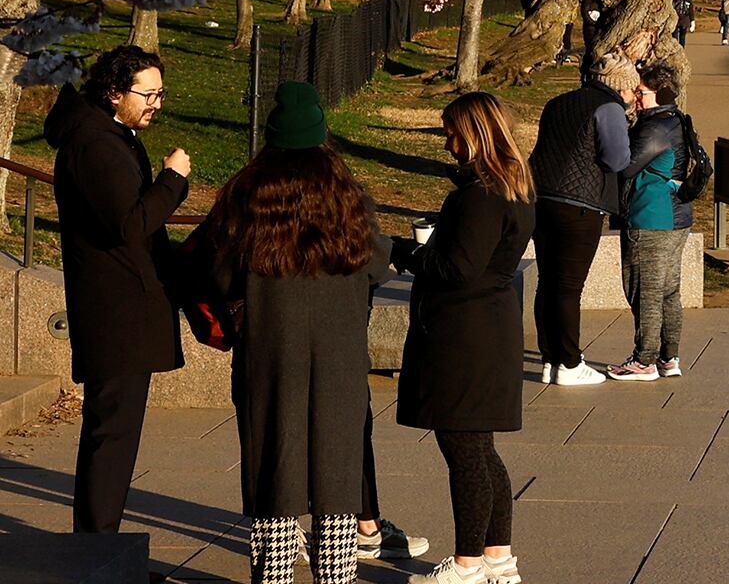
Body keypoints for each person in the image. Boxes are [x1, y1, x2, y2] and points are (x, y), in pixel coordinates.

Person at [191, 82, 379, 584]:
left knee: (273, 463)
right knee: (336, 473)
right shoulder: (349, 197)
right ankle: (335, 576)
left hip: (270, 350)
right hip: (339, 352)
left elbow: (215, 270)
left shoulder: (246, 196)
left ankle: (273, 575)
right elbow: (375, 261)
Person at [390, 92, 538, 584]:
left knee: (464, 449)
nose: (448, 143)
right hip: (490, 326)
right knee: (481, 447)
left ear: (475, 134)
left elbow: (457, 267)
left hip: (464, 334)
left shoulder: (478, 196)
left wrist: (409, 254)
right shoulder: (513, 187)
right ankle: (498, 556)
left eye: (452, 133)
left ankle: (468, 564)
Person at [48, 45, 190, 535]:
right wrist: (173, 180)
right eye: (146, 94)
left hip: (122, 307)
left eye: (160, 93)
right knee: (112, 434)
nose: (156, 103)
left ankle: (100, 545)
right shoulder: (96, 144)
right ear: (113, 92)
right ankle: (97, 549)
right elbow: (130, 224)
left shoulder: (112, 136)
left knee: (115, 432)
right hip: (115, 312)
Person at [529, 55, 636, 384]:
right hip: (580, 205)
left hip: (541, 197)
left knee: (547, 283)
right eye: (631, 87)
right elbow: (617, 159)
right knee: (569, 287)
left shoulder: (557, 102)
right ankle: (571, 364)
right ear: (618, 84)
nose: (633, 94)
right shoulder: (610, 109)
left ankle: (550, 358)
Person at [607, 63, 694, 382]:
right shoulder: (674, 121)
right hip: (676, 217)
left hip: (651, 216)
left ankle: (644, 360)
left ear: (661, 94)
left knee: (644, 290)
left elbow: (625, 165)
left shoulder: (655, 127)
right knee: (668, 292)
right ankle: (668, 358)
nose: (637, 98)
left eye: (642, 93)